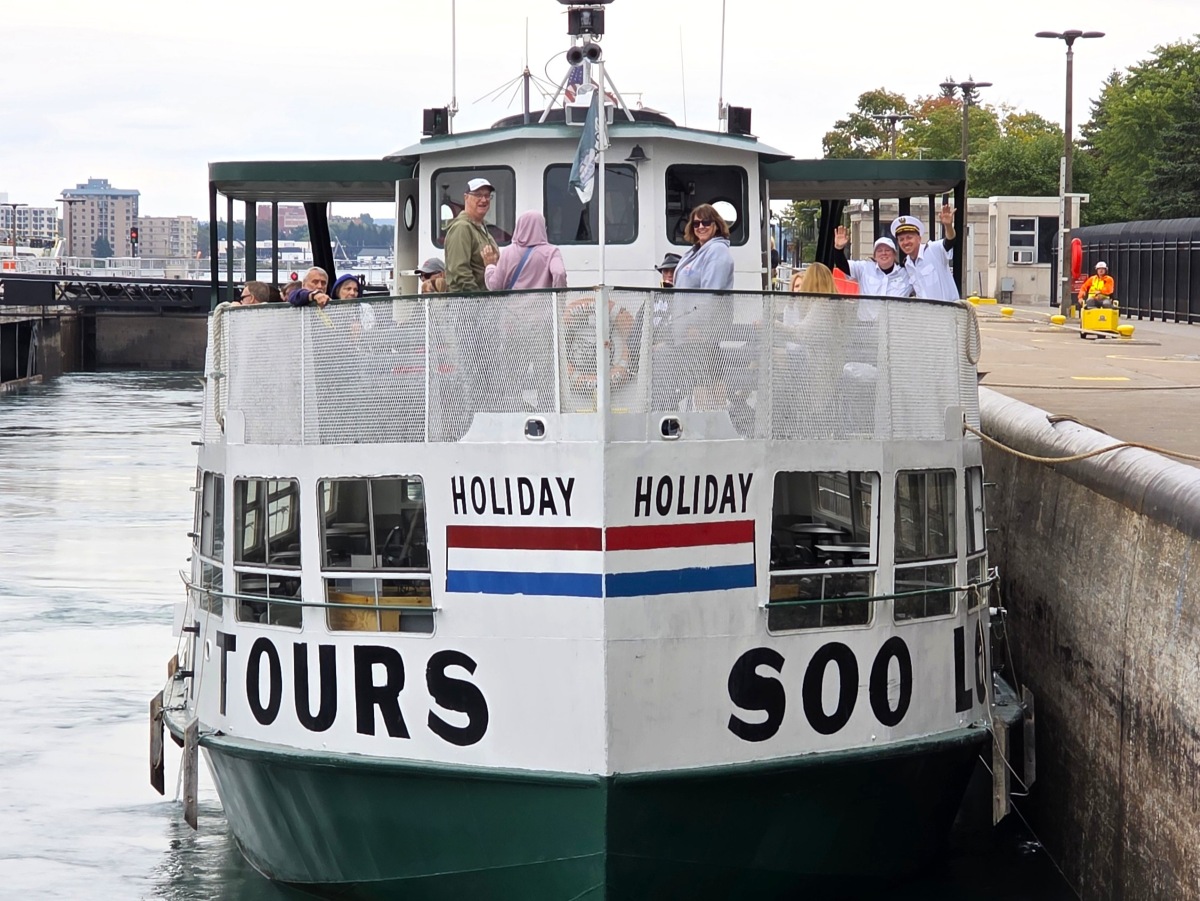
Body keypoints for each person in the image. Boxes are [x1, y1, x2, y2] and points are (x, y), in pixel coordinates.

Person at [484, 211, 567, 290]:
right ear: (542, 228)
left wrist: (490, 266)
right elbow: (559, 273)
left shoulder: (508, 252)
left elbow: (494, 286)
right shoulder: (552, 252)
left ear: (519, 228)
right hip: (542, 304)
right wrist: (559, 297)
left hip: (512, 304)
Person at [444, 177, 500, 292]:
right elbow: (460, 271)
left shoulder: (482, 228)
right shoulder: (461, 228)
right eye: (478, 195)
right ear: (466, 197)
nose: (484, 200)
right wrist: (477, 299)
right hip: (465, 305)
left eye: (487, 195)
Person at [892, 205, 958, 301]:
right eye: (901, 239)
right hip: (926, 313)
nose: (905, 242)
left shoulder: (933, 249)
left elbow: (950, 240)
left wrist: (948, 226)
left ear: (919, 239)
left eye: (909, 237)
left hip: (948, 311)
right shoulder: (907, 264)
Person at [673, 204, 735, 290]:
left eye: (706, 222)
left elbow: (712, 294)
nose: (701, 227)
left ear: (716, 225)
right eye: (696, 224)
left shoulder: (718, 250)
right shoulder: (692, 252)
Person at [832, 229, 911, 297]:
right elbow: (842, 265)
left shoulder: (907, 274)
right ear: (875, 256)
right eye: (879, 251)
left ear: (894, 254)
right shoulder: (864, 268)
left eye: (887, 250)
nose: (884, 253)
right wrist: (838, 249)